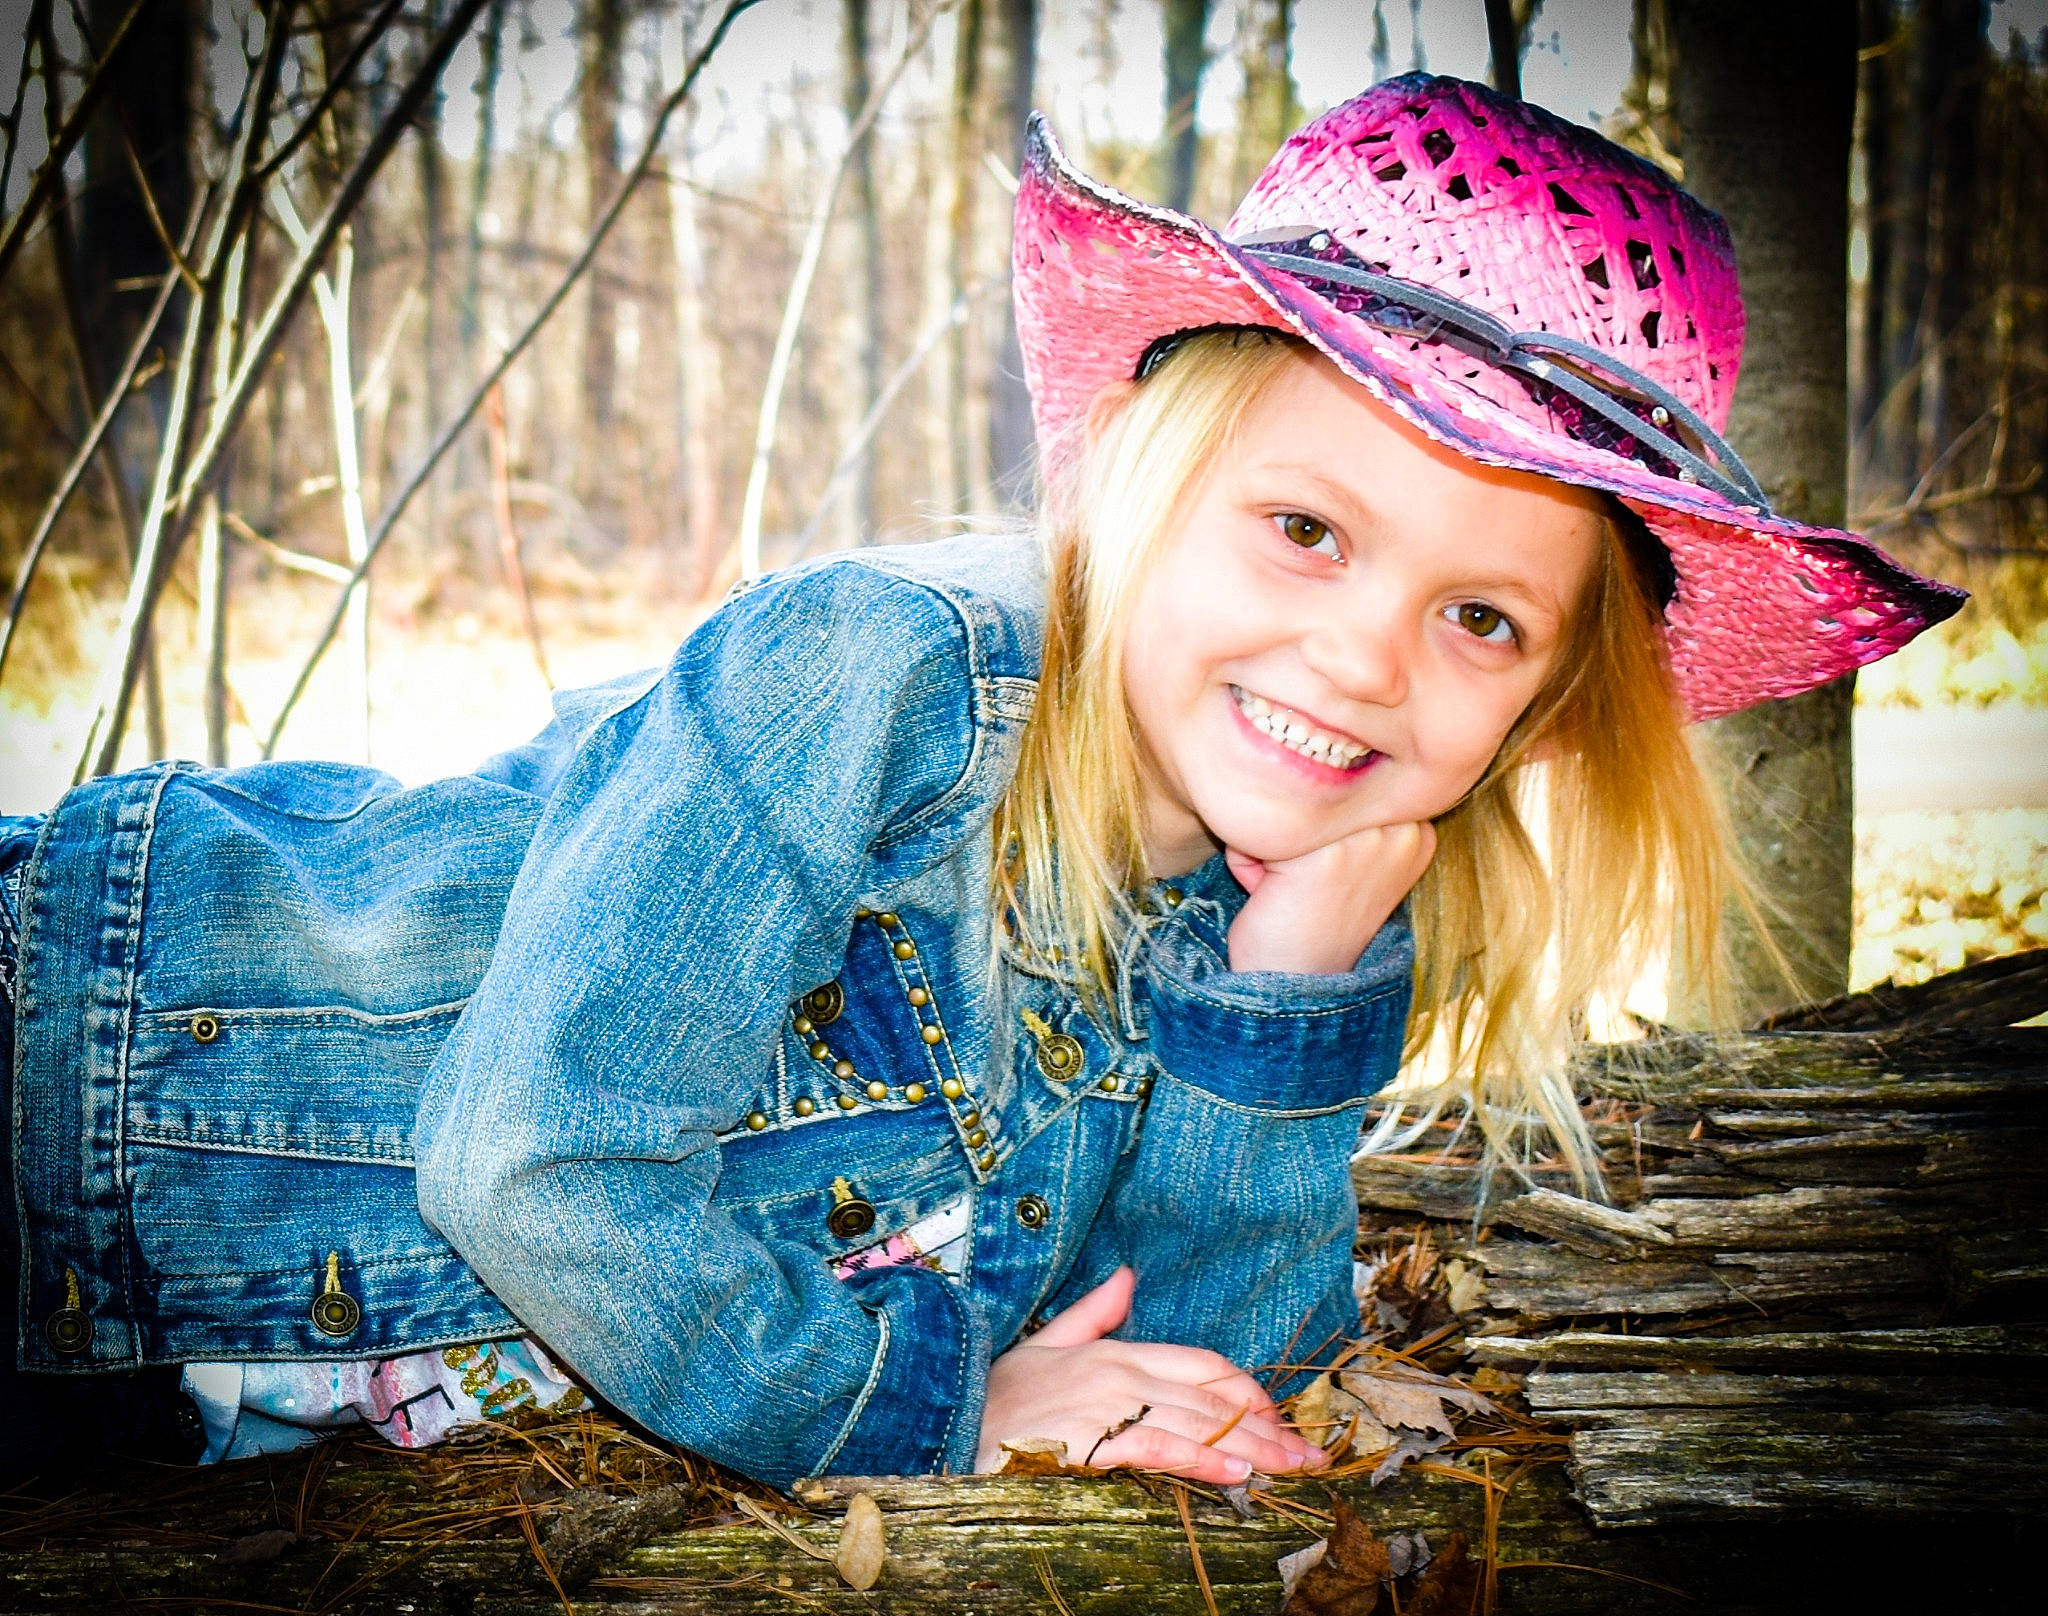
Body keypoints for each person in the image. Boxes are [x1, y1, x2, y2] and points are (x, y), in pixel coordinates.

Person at [4, 75, 1961, 1489]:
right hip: (78, 1084)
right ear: (1141, 482)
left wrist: (1273, 1009)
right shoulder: (880, 679)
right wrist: (933, 1413)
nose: (1367, 655)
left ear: (1541, 710)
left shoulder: (1335, 885)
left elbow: (1210, 1373)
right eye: (1303, 527)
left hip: (193, 1379)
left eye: (1479, 622)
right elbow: (529, 1161)